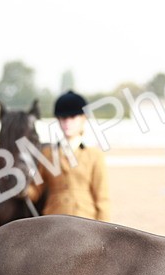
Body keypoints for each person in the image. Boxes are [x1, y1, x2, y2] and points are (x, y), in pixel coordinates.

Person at [25, 90, 111, 221]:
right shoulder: (47, 153)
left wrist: (105, 234)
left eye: (73, 117)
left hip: (86, 221)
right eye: (64, 118)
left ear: (83, 118)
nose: (67, 122)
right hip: (53, 221)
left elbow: (102, 198)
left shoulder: (94, 155)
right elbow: (35, 191)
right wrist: (20, 188)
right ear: (58, 120)